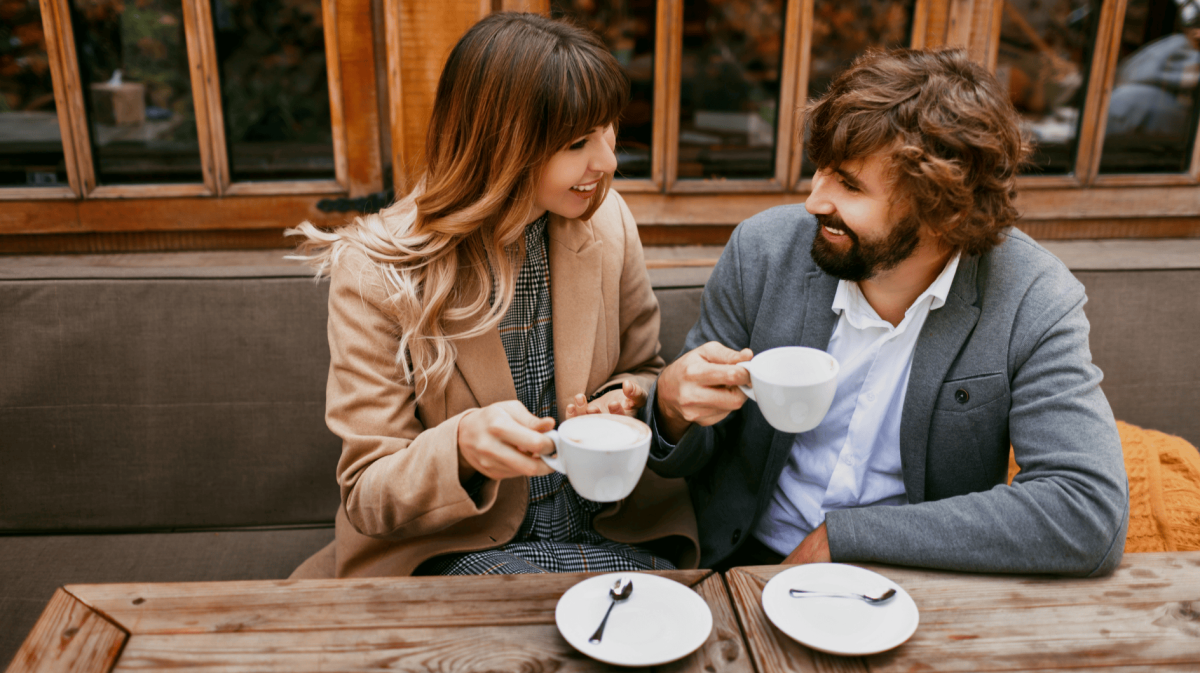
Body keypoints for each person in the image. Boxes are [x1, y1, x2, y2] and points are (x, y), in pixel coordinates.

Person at [645, 48, 1129, 576]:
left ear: (943, 211)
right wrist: (670, 410)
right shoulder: (762, 251)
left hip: (913, 576)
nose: (814, 201)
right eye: (822, 172)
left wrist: (848, 537)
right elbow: (696, 454)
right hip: (741, 562)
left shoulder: (1032, 296)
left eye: (849, 185)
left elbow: (1088, 511)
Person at [287, 12, 698, 579]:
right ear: (503, 147)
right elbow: (367, 493)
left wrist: (621, 400)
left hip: (606, 536)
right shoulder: (375, 268)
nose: (607, 162)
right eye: (578, 142)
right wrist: (461, 447)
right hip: (455, 552)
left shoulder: (609, 222)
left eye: (608, 131)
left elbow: (643, 369)